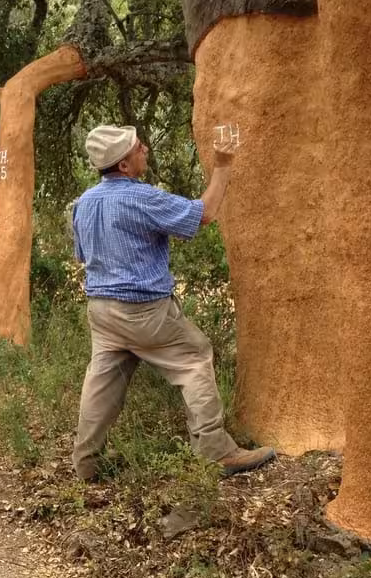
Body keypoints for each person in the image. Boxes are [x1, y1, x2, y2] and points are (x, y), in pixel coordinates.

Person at [71, 124, 276, 480]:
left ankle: (87, 462)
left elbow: (82, 256)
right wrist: (223, 165)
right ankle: (216, 452)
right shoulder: (141, 197)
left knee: (101, 382)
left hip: (101, 311)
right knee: (195, 357)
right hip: (144, 312)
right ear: (123, 165)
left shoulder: (84, 204)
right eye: (138, 147)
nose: (145, 149)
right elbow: (204, 214)